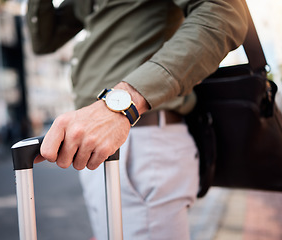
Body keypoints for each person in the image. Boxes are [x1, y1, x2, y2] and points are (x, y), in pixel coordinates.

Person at [27, 0, 248, 239]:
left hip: (138, 141)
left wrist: (122, 104)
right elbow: (44, 40)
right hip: (102, 144)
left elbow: (224, 12)